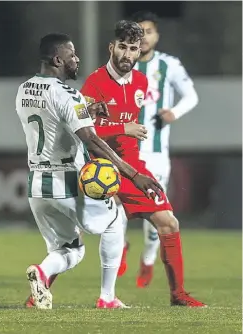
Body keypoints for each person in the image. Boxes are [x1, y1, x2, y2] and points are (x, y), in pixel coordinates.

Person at [17, 33, 163, 309]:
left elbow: (52, 118)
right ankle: (107, 297)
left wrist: (88, 109)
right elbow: (92, 139)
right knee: (114, 220)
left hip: (37, 185)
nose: (77, 59)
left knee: (69, 249)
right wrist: (133, 174)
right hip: (67, 179)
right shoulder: (67, 94)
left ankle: (42, 272)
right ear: (58, 59)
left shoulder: (24, 89)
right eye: (72, 55)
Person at [81, 20, 206, 307]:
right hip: (105, 168)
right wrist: (122, 129)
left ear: (140, 51)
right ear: (112, 47)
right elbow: (84, 129)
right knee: (72, 236)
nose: (127, 54)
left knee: (168, 223)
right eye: (122, 47)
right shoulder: (94, 82)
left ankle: (177, 294)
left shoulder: (141, 82)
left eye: (133, 49)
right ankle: (43, 283)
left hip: (135, 166)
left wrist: (125, 135)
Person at [116, 11, 199, 288]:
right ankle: (120, 248)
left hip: (155, 154)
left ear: (156, 35)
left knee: (156, 213)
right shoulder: (120, 65)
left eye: (149, 31)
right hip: (123, 152)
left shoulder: (169, 65)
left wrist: (174, 112)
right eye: (139, 32)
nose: (145, 37)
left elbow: (191, 96)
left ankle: (148, 259)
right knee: (116, 206)